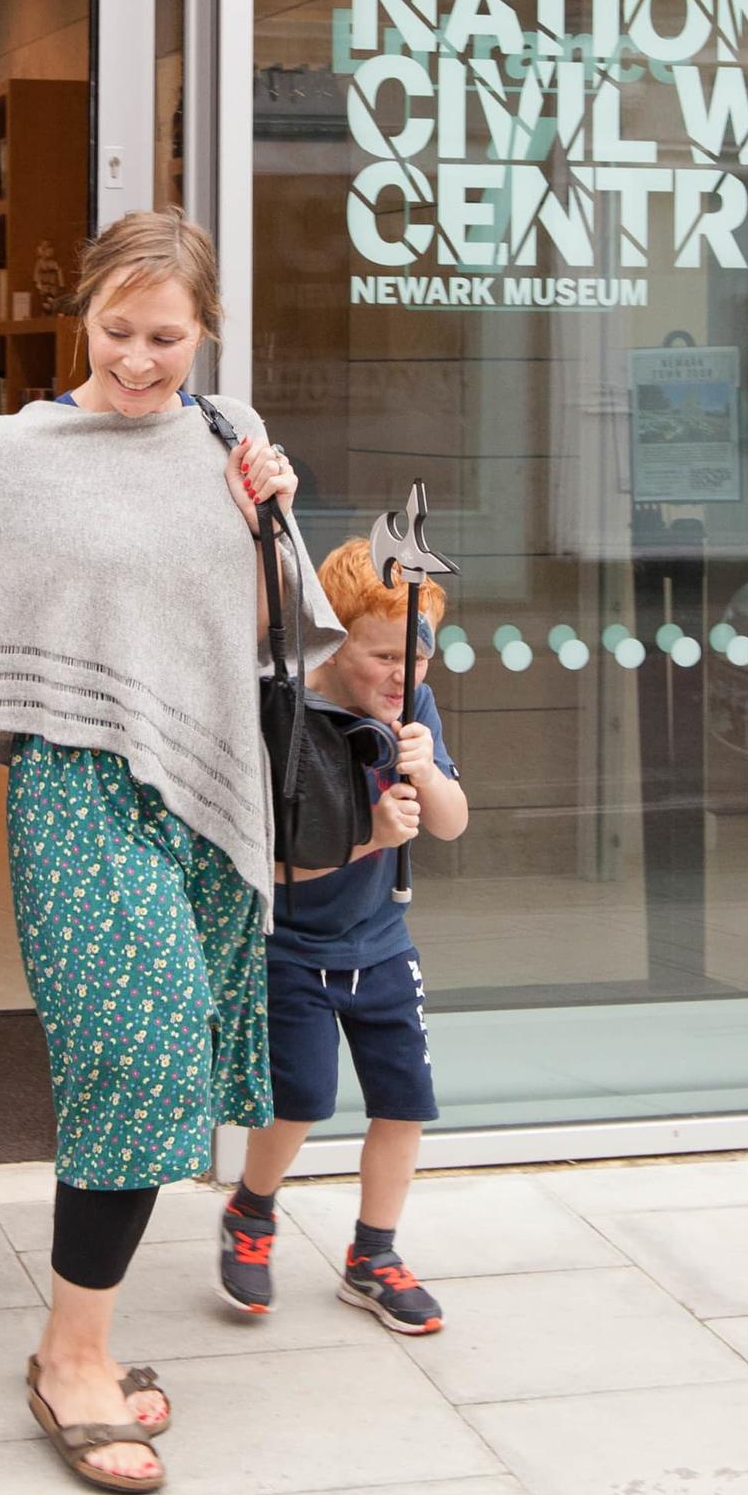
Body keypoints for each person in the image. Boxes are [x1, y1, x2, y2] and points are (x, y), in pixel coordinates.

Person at [0, 209, 338, 1495]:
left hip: (204, 801)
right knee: (136, 1054)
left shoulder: (228, 441)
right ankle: (72, 1357)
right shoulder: (21, 454)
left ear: (204, 330)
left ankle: (77, 1336)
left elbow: (280, 640)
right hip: (74, 789)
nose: (142, 360)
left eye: (169, 336)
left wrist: (270, 518)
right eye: (119, 331)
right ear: (81, 314)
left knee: (167, 1077)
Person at [220, 535, 470, 1336]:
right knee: (298, 1101)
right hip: (291, 944)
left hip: (382, 940)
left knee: (405, 1102)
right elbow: (257, 864)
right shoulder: (283, 710)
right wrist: (368, 836)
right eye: (380, 657)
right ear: (334, 638)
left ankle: (374, 1254)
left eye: (417, 659)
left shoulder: (411, 705)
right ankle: (252, 1211)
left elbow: (454, 824)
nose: (400, 677)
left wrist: (427, 774)